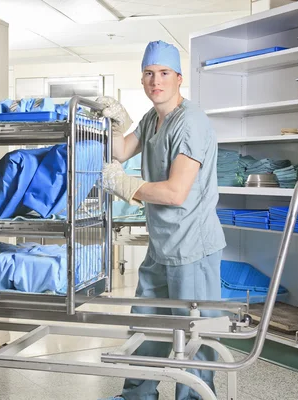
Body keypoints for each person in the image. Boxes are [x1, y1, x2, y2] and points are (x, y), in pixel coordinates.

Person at [97, 40, 226, 400]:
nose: (156, 81)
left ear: (179, 78)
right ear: (142, 80)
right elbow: (122, 150)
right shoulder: (153, 118)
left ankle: (197, 397)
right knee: (147, 325)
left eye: (164, 73)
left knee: (195, 334)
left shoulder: (191, 123)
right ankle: (137, 395)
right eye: (149, 74)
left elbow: (175, 193)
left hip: (193, 247)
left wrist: (125, 184)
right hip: (162, 243)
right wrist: (115, 123)